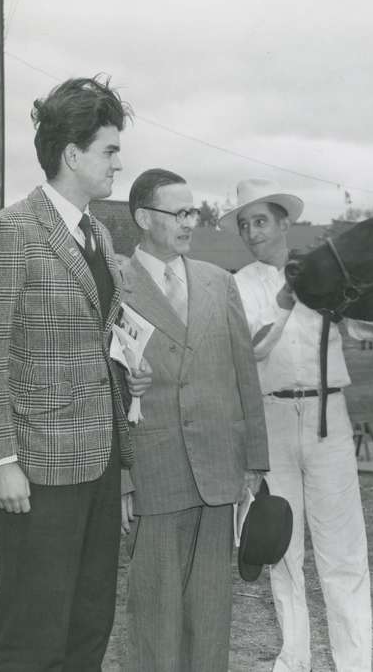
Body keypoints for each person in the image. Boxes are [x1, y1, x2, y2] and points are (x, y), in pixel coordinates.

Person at [0, 76, 148, 670]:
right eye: (110, 150)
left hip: (99, 459)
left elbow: (96, 337)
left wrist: (125, 381)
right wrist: (1, 462)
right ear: (72, 154)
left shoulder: (98, 234)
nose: (119, 162)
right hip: (38, 468)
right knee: (33, 630)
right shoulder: (11, 233)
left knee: (89, 622)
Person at [118, 168, 269, 671]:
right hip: (152, 472)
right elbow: (102, 386)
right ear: (143, 218)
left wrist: (255, 460)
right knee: (154, 616)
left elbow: (244, 375)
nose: (190, 222)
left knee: (210, 618)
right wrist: (121, 478)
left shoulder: (217, 282)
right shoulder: (114, 285)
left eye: (193, 213)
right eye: (178, 213)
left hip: (218, 473)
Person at [220, 178, 372, 672]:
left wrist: (351, 301)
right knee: (282, 543)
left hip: (330, 416)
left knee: (342, 549)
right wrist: (289, 295)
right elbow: (255, 347)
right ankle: (294, 659)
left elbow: (369, 326)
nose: (252, 232)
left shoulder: (324, 274)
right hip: (273, 416)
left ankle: (354, 663)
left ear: (284, 222)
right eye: (244, 224)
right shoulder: (237, 284)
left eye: (260, 221)